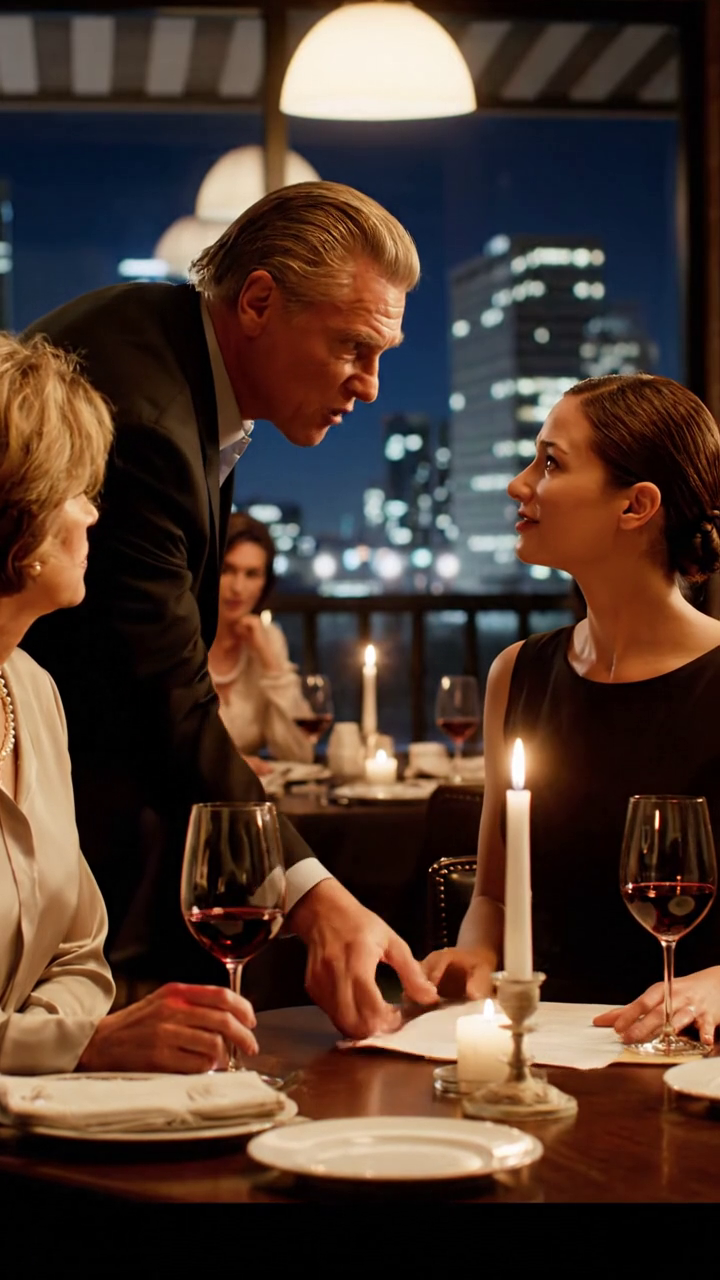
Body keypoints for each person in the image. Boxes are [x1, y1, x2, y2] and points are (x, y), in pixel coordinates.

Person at [21, 181, 437, 1038]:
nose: (369, 385)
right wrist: (316, 899)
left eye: (384, 354)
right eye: (354, 347)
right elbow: (163, 696)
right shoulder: (145, 417)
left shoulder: (167, 342)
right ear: (257, 300)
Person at [422, 372, 720, 1046]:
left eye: (550, 462)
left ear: (636, 505)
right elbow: (494, 896)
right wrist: (475, 954)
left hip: (697, 1062)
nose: (519, 484)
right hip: (549, 1050)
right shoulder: (517, 674)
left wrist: (716, 981)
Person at [0, 333, 258, 1073]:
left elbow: (83, 955)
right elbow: (83, 1024)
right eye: (77, 489)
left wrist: (51, 1052)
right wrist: (78, 1046)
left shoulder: (32, 691)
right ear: (17, 509)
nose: (93, 515)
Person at [208, 512, 312, 774]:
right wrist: (231, 765)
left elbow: (298, 754)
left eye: (252, 574)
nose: (238, 587)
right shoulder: (182, 639)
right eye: (227, 570)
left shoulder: (269, 639)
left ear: (265, 583)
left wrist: (269, 661)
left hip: (251, 804)